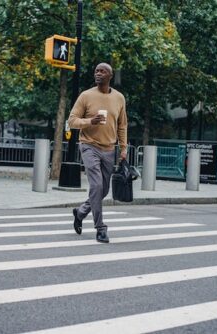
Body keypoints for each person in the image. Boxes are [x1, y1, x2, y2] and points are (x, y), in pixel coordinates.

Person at [68, 62, 128, 243]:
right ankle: (100, 228)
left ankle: (80, 213)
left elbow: (122, 125)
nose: (99, 74)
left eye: (103, 71)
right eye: (96, 71)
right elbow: (72, 121)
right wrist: (89, 122)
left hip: (109, 149)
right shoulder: (86, 96)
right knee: (96, 186)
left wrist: (123, 147)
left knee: (103, 190)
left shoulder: (119, 98)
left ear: (110, 76)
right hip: (89, 146)